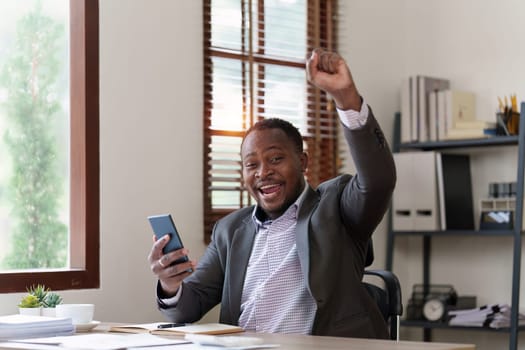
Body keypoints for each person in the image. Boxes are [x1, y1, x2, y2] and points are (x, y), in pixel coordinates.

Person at [148, 48, 396, 339]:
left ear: (302, 162)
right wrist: (170, 284)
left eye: (276, 159)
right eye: (251, 164)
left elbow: (378, 181)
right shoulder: (229, 230)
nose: (263, 172)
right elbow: (187, 309)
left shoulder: (336, 207)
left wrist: (347, 100)